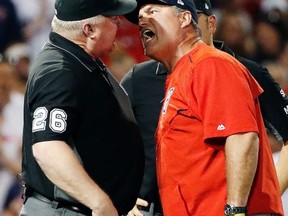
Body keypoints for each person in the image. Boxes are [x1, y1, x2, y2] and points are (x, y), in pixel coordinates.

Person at [123, 0, 284, 215]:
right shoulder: (181, 74)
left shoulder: (211, 64)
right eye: (140, 16)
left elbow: (242, 137)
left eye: (153, 11)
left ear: (185, 18)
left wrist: (235, 210)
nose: (142, 19)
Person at [19, 0, 145, 216]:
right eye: (113, 18)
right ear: (89, 29)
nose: (119, 22)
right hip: (64, 210)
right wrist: (99, 201)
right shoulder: (59, 69)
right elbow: (48, 147)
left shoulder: (78, 60)